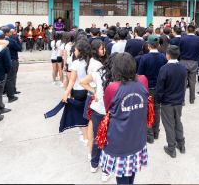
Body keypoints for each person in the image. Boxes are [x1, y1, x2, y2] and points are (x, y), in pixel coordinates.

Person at [97, 53, 151, 184]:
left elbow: (107, 109)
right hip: (137, 135)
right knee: (131, 171)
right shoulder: (143, 81)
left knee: (121, 175)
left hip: (119, 138)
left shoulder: (113, 87)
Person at [79, 53, 118, 182]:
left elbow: (82, 81)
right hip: (111, 113)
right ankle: (106, 170)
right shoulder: (119, 77)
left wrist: (94, 91)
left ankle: (94, 164)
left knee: (97, 138)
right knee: (110, 140)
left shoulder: (98, 73)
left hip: (97, 111)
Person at [157, 45, 186, 158]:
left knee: (169, 125)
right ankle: (181, 144)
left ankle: (171, 148)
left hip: (167, 102)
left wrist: (159, 101)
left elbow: (160, 88)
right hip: (179, 101)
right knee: (178, 122)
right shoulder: (182, 66)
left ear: (168, 55)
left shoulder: (164, 69)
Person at [137, 35, 167, 143]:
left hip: (147, 89)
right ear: (158, 45)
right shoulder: (163, 57)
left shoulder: (144, 58)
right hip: (159, 88)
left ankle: (149, 134)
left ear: (148, 46)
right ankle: (156, 132)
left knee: (147, 110)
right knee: (157, 110)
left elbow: (140, 75)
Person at [63, 40, 90, 146]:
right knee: (89, 114)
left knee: (81, 116)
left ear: (79, 51)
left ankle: (85, 138)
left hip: (78, 91)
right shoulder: (90, 61)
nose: (74, 52)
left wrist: (66, 93)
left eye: (75, 50)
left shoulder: (76, 63)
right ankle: (91, 135)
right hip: (89, 90)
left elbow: (72, 80)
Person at [179, 25, 199, 104]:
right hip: (194, 61)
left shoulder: (183, 38)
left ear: (187, 31)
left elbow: (180, 49)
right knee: (192, 81)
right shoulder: (198, 39)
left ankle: (182, 100)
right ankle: (192, 98)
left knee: (183, 81)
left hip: (184, 61)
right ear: (195, 30)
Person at [6, 28, 22, 102]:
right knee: (11, 78)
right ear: (7, 33)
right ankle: (11, 95)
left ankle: (7, 91)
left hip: (3, 61)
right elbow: (19, 48)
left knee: (6, 78)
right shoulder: (11, 40)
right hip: (12, 59)